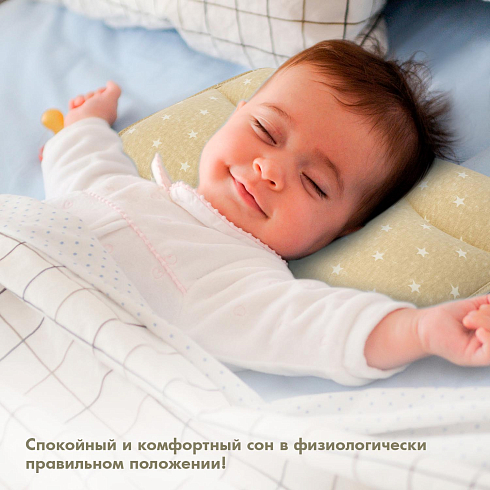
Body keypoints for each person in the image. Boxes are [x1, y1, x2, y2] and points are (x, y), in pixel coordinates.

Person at [41, 40, 490, 386]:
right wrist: (83, 126)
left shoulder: (236, 279)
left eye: (314, 183)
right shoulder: (126, 190)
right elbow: (86, 169)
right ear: (236, 115)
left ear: (344, 230)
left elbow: (320, 327)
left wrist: (421, 330)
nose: (270, 170)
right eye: (265, 130)